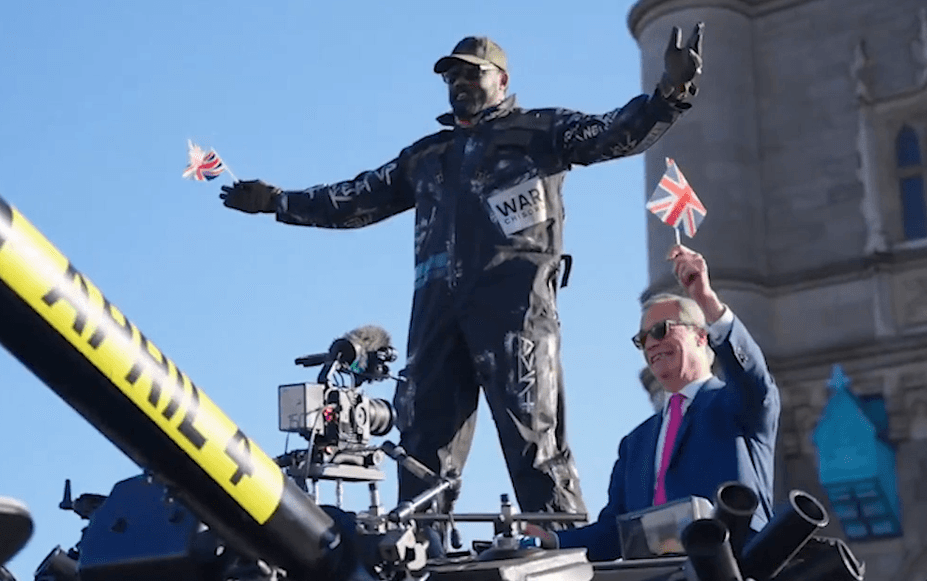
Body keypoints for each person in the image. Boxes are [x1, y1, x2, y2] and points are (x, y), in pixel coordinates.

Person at [218, 26, 706, 522]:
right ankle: (418, 565)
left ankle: (572, 561)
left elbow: (610, 132)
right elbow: (357, 196)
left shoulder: (539, 132)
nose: (460, 83)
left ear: (502, 79)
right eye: (452, 76)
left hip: (516, 315)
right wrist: (278, 202)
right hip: (436, 321)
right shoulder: (428, 157)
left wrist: (669, 94)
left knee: (535, 447)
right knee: (421, 456)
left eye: (472, 74)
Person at [529, 244, 780, 560]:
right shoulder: (634, 444)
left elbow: (753, 377)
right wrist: (550, 541)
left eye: (661, 330)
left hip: (732, 576)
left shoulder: (737, 406)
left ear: (701, 337)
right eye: (642, 339)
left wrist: (706, 300)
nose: (651, 344)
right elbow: (613, 533)